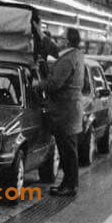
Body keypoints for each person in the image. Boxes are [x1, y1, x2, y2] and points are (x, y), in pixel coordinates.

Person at [41, 27, 85, 197]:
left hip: (65, 112)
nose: (58, 40)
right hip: (70, 111)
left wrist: (38, 85)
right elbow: (54, 49)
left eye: (61, 38)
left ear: (67, 41)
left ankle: (70, 186)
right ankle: (68, 184)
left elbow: (54, 84)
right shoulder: (76, 55)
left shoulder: (67, 59)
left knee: (67, 151)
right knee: (68, 150)